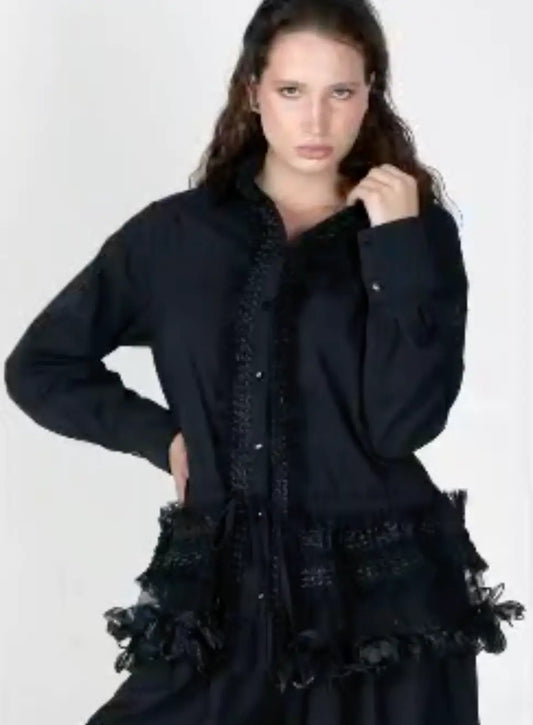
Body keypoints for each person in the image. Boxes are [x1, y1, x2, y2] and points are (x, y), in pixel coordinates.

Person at [4, 0, 525, 723]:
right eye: (291, 90)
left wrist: (397, 248)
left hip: (378, 611)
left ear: (369, 93)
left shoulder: (413, 234)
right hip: (219, 599)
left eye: (340, 91)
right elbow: (41, 366)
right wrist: (163, 438)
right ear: (253, 92)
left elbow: (403, 425)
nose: (316, 120)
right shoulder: (173, 237)